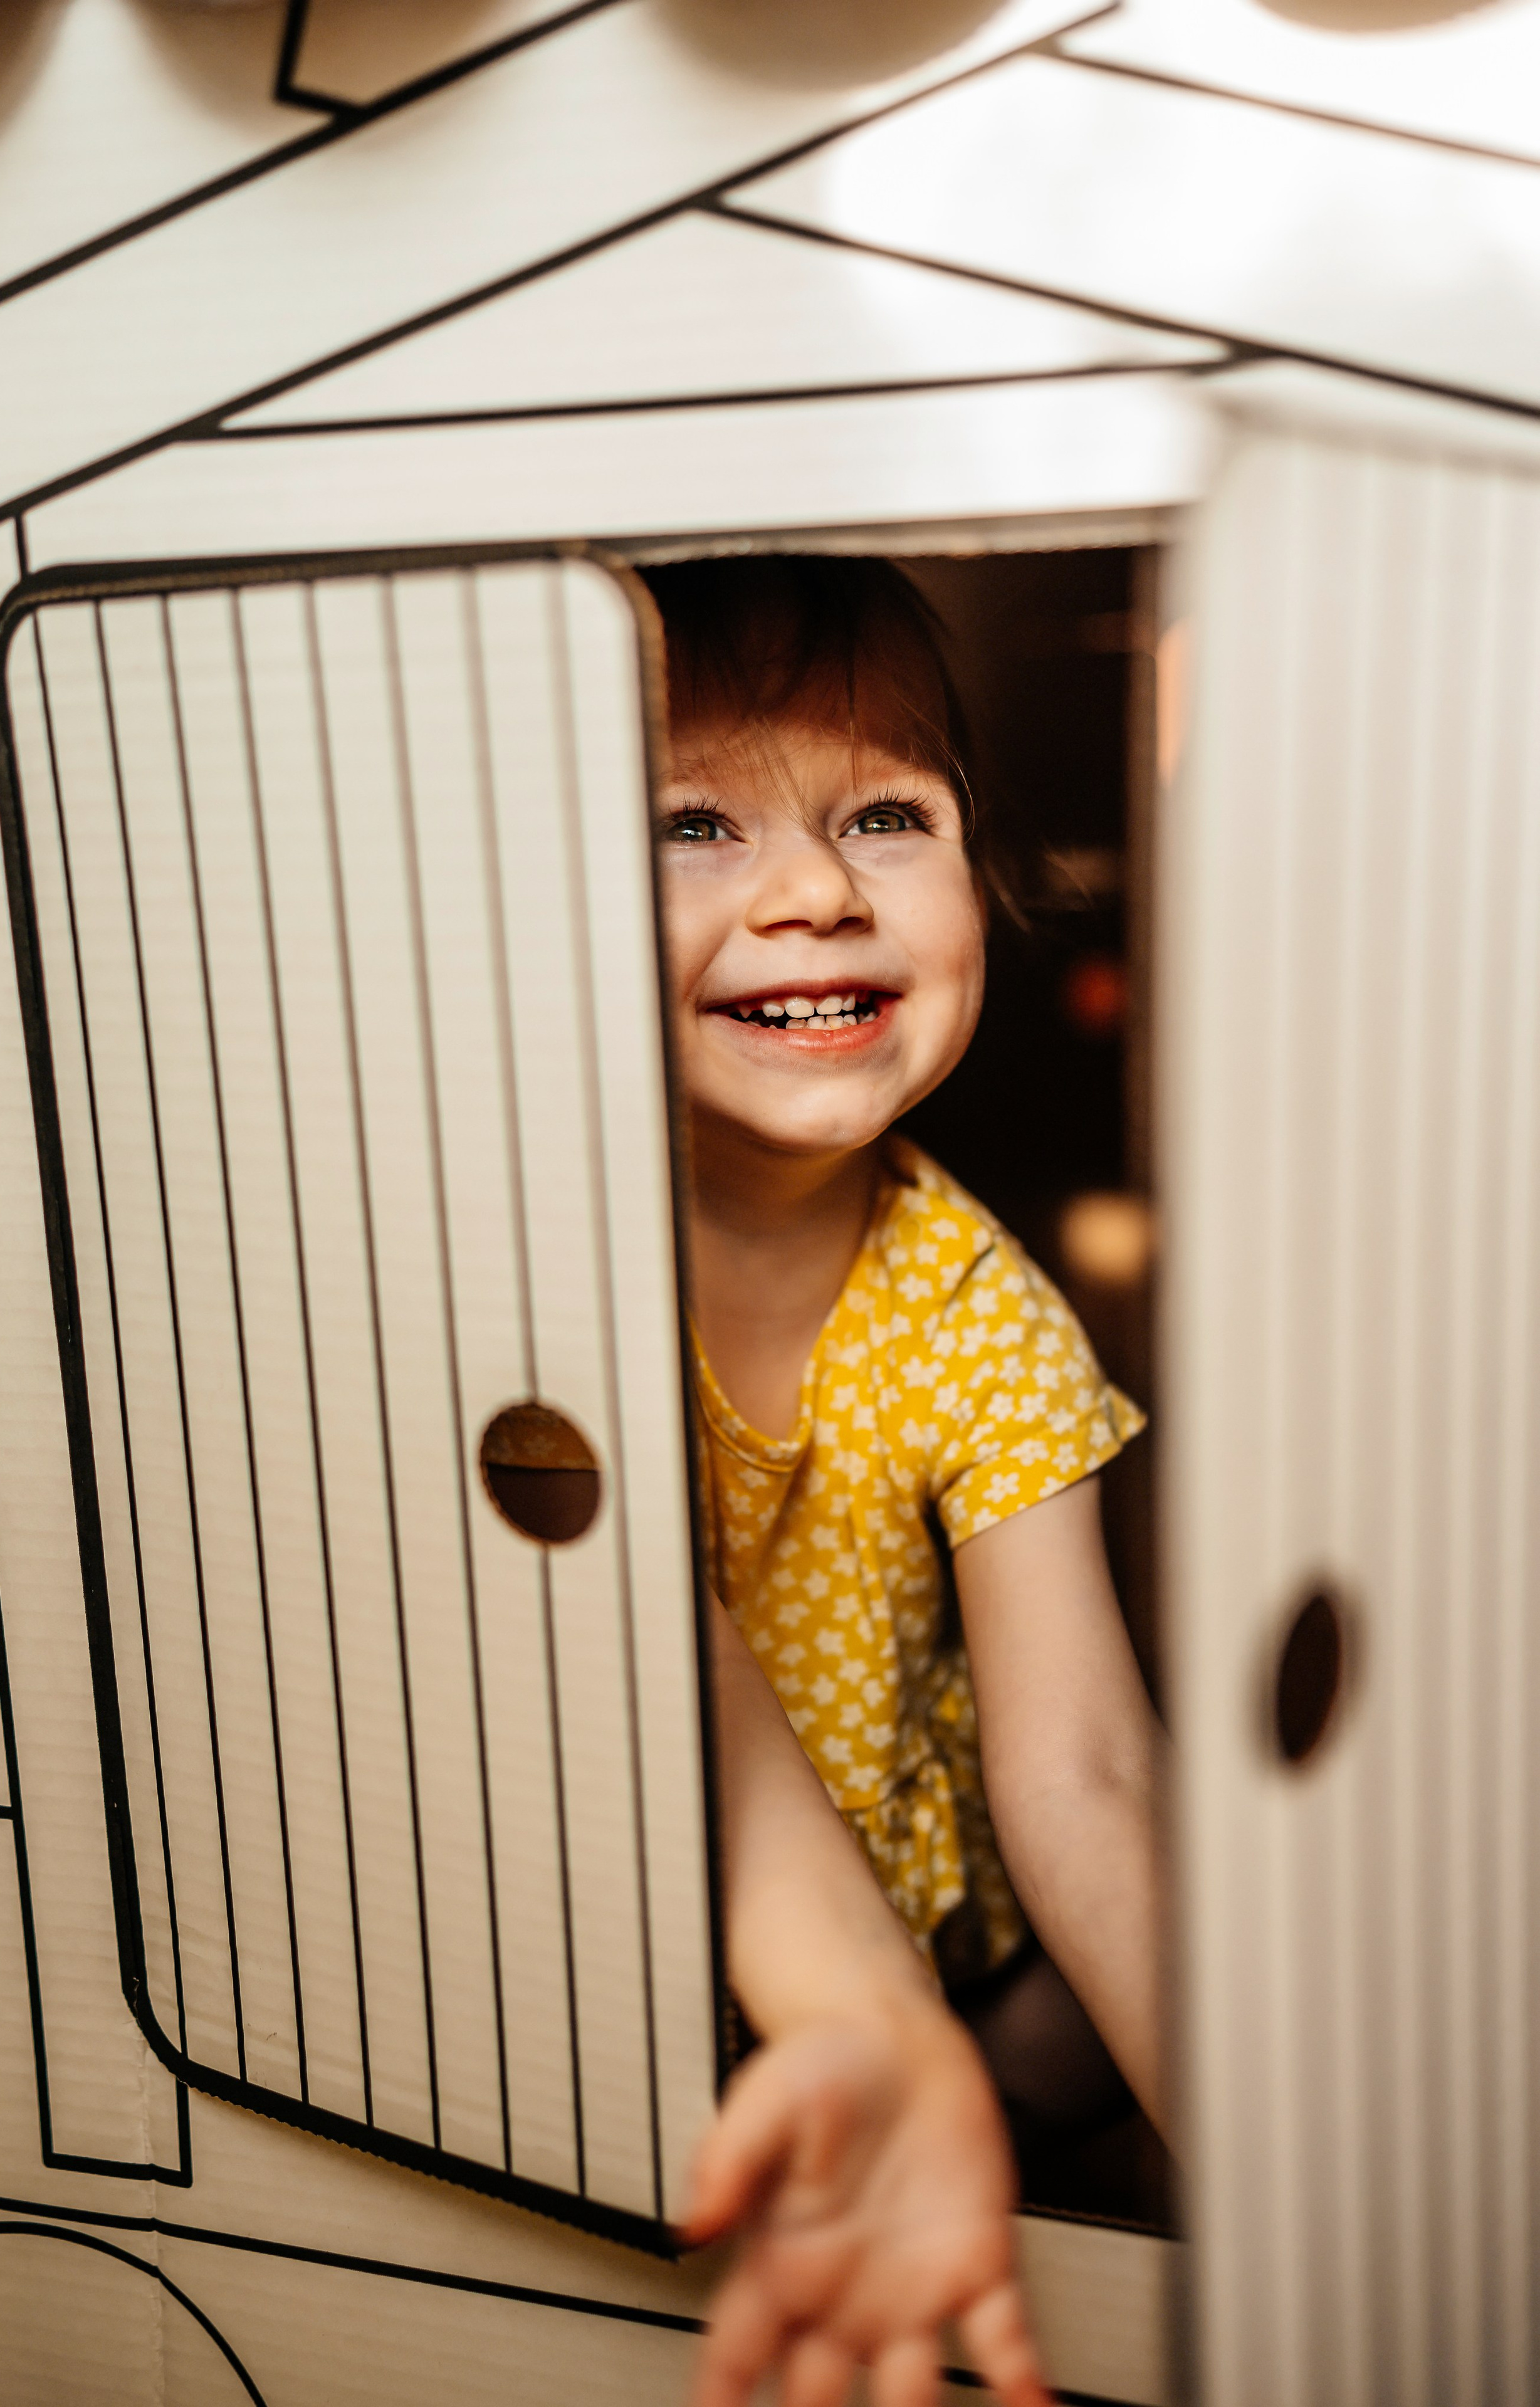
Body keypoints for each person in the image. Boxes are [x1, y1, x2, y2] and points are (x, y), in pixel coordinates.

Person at [639, 558, 1166, 2407]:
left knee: (1107, 2022)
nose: (813, 892)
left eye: (887, 813)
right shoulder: (533, 1286)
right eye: (695, 821)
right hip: (621, 1954)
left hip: (935, 1948)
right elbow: (662, 1671)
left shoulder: (973, 1303)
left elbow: (1084, 1767)